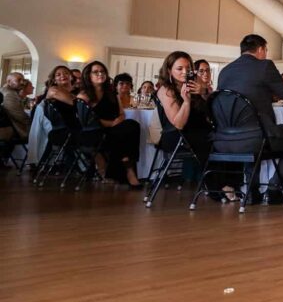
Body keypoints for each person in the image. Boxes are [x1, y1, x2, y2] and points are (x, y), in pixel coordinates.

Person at [216, 34, 283, 200]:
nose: (266, 54)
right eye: (266, 50)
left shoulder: (225, 71)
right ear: (260, 49)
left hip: (226, 138)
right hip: (256, 137)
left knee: (255, 129)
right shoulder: (264, 66)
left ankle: (252, 191)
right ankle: (275, 189)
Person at [155, 51, 227, 197]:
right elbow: (179, 124)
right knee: (207, 140)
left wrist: (204, 91)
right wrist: (186, 101)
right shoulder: (166, 90)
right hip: (177, 134)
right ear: (169, 70)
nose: (185, 72)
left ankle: (230, 183)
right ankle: (219, 187)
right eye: (179, 68)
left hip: (201, 129)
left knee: (225, 137)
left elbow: (213, 106)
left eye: (188, 68)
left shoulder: (195, 81)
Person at [78, 60, 142, 188]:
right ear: (88, 76)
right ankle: (128, 171)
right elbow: (86, 120)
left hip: (114, 128)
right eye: (96, 72)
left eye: (102, 71)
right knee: (122, 135)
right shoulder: (84, 95)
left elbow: (121, 113)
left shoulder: (112, 93)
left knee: (133, 125)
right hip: (95, 131)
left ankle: (126, 169)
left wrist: (118, 121)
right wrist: (110, 124)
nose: (100, 74)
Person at [1, 72, 31, 142]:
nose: (22, 82)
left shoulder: (8, 91)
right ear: (9, 81)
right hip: (17, 131)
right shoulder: (10, 94)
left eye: (23, 80)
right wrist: (33, 122)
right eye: (18, 80)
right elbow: (20, 117)